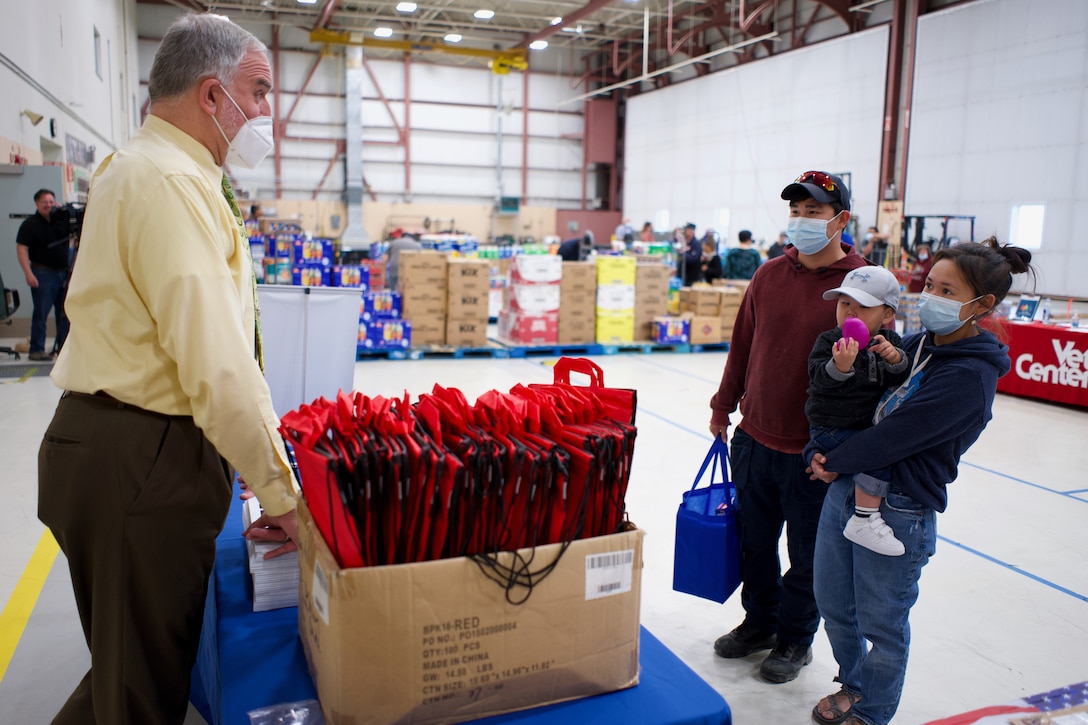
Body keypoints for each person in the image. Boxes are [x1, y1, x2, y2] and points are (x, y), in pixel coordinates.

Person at [37, 14, 298, 724]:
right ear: (213, 97)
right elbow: (216, 362)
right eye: (260, 89)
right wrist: (284, 496)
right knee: (139, 693)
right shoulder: (171, 183)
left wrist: (247, 456)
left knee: (134, 667)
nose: (269, 109)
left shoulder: (149, 168)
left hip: (120, 446)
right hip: (140, 456)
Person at [808, 237, 1033, 725]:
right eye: (929, 284)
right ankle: (856, 684)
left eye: (947, 290)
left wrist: (832, 459)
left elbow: (893, 437)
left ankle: (874, 711)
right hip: (850, 487)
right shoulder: (921, 346)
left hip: (900, 508)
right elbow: (862, 398)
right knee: (834, 604)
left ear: (982, 305)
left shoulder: (970, 377)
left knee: (882, 623)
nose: (930, 295)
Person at [708, 170, 867, 683]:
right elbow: (743, 345)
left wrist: (847, 451)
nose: (800, 221)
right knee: (754, 542)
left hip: (813, 453)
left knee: (807, 556)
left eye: (813, 212)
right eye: (795, 212)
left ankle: (795, 640)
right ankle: (759, 622)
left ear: (840, 220)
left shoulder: (861, 285)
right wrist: (723, 404)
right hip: (754, 437)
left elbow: (875, 375)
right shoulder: (769, 275)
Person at [802, 267, 910, 556]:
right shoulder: (829, 341)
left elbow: (901, 380)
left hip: (861, 425)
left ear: (887, 315)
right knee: (878, 452)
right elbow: (816, 376)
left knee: (880, 443)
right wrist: (840, 367)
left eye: (863, 307)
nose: (850, 313)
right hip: (832, 426)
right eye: (844, 303)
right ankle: (864, 518)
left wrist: (896, 359)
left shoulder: (890, 342)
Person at [16, 188, 71, 361]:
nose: (48, 205)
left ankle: (64, 348)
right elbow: (21, 249)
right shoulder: (30, 224)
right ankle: (37, 349)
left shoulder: (61, 222)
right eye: (44, 202)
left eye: (51, 202)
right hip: (42, 273)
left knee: (65, 314)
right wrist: (28, 273)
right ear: (37, 204)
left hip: (63, 273)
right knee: (41, 313)